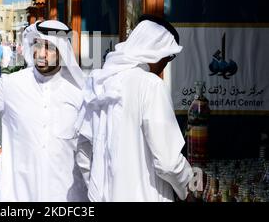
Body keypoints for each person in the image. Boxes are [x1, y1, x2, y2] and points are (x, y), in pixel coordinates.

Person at [0, 20, 88, 201]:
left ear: (62, 52)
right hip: (21, 190)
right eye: (38, 46)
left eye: (50, 48)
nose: (42, 54)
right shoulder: (11, 84)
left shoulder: (79, 92)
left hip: (66, 193)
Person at [76, 15, 194, 202]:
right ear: (157, 52)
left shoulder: (99, 82)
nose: (165, 64)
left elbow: (83, 151)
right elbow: (168, 161)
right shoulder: (151, 85)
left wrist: (97, 188)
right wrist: (190, 186)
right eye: (169, 57)